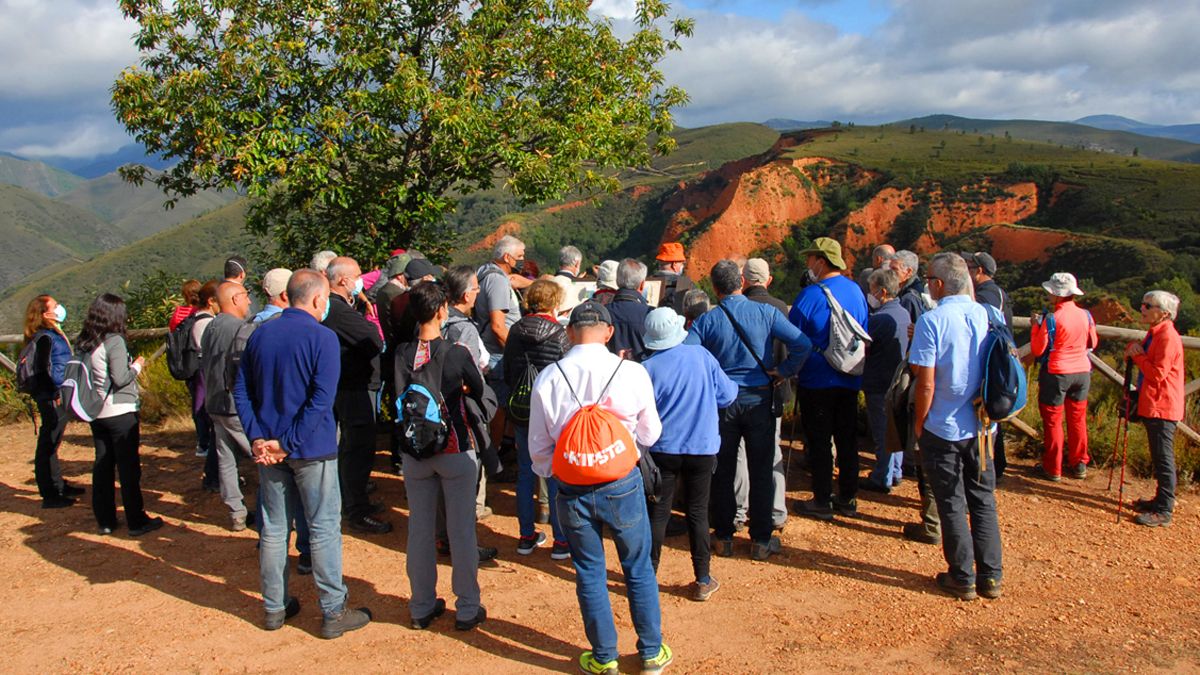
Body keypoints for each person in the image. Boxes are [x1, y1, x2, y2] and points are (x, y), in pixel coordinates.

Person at [527, 300, 671, 674]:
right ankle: (651, 653)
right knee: (637, 566)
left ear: (570, 333)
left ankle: (604, 657)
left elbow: (538, 448)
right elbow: (651, 433)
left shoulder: (549, 376)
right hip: (622, 482)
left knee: (589, 570)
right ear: (609, 332)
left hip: (572, 486)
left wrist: (556, 473)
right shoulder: (632, 371)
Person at [233, 268, 372, 637]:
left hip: (270, 451)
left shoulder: (260, 334)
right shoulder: (322, 338)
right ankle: (332, 610)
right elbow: (321, 401)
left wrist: (259, 438)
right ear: (316, 299)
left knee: (274, 529)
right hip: (311, 448)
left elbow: (242, 392)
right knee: (323, 527)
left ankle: (274, 607)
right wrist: (288, 442)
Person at [689, 260, 811, 560]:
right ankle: (760, 540)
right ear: (741, 281)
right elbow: (803, 344)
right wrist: (784, 370)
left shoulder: (708, 320)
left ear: (715, 288)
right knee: (761, 469)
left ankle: (725, 536)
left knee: (724, 470)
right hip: (760, 400)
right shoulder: (767, 312)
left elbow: (689, 355)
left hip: (723, 404)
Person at [909, 252, 1002, 601]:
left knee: (950, 501)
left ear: (937, 283)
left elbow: (926, 383)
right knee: (982, 500)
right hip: (983, 427)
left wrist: (920, 425)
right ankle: (991, 577)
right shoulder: (989, 315)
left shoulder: (933, 321)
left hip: (944, 427)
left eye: (929, 278)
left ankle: (962, 576)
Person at [396, 282, 488, 631]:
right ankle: (467, 607)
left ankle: (421, 606)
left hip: (414, 451)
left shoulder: (401, 353)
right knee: (461, 530)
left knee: (419, 530)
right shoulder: (456, 352)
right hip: (453, 447)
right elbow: (478, 389)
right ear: (441, 311)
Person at [643, 307, 737, 601]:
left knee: (658, 513)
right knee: (697, 511)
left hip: (663, 449)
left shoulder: (648, 367)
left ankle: (648, 577)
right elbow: (728, 395)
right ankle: (702, 579)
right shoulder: (702, 357)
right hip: (702, 447)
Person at [789, 237, 869, 520]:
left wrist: (790, 369)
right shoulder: (856, 290)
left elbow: (794, 338)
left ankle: (822, 499)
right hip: (849, 377)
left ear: (821, 261)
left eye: (810, 259)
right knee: (847, 439)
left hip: (816, 379)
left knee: (820, 440)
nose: (808, 265)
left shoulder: (810, 295)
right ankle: (848, 497)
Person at [76, 293, 163, 537]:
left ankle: (105, 520)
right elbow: (121, 378)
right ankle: (136, 520)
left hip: (96, 412)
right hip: (120, 411)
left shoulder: (86, 341)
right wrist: (137, 365)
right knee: (128, 468)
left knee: (102, 466)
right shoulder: (114, 341)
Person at [503, 279, 572, 557]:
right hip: (553, 413)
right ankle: (561, 541)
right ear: (554, 303)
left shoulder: (515, 330)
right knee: (556, 474)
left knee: (524, 472)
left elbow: (507, 371)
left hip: (522, 410)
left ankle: (525, 536)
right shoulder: (559, 334)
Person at [323, 256, 390, 534]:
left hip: (345, 385)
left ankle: (353, 501)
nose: (360, 281)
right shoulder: (339, 311)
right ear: (343, 280)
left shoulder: (337, 308)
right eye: (358, 276)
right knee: (358, 448)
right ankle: (356, 509)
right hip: (353, 388)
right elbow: (374, 340)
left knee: (352, 447)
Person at [735, 258, 790, 532]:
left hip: (741, 392)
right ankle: (776, 511)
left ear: (743, 281)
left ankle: (739, 509)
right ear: (768, 280)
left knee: (740, 454)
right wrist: (784, 371)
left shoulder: (737, 309)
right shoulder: (780, 307)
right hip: (774, 390)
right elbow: (796, 345)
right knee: (772, 451)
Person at [1030, 272, 1098, 481]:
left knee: (1053, 421)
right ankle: (1079, 464)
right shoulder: (1086, 315)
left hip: (1057, 373)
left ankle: (1053, 468)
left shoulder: (1052, 319)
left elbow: (1038, 349)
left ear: (1058, 295)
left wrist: (1035, 326)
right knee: (1077, 419)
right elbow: (1093, 343)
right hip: (1082, 372)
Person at [1125, 290, 1185, 527]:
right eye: (1144, 304)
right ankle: (1160, 500)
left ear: (1164, 313)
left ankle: (1164, 509)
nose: (1143, 308)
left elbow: (1157, 374)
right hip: (1156, 403)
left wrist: (1138, 356)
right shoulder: (1156, 332)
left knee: (1163, 457)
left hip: (1163, 405)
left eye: (1148, 306)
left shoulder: (1167, 337)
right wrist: (1135, 351)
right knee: (1159, 455)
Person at [201, 282, 256, 530]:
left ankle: (236, 513)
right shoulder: (239, 328)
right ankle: (273, 510)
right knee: (260, 455)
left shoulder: (210, 326)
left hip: (213, 402)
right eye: (245, 296)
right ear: (234, 299)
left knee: (226, 460)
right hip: (233, 403)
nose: (249, 301)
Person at [23, 295, 85, 508]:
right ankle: (50, 493)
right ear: (45, 314)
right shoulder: (45, 338)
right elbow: (43, 369)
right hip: (52, 397)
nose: (60, 308)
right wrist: (55, 392)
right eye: (55, 306)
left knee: (53, 442)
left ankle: (57, 484)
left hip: (54, 395)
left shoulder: (48, 335)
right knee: (48, 443)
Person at [859, 268, 910, 493]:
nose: (870, 294)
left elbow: (862, 344)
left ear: (881, 291)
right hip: (896, 381)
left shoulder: (879, 319)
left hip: (879, 381)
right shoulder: (903, 313)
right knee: (894, 429)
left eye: (871, 289)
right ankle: (896, 472)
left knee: (881, 431)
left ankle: (882, 477)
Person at [962, 252, 1013, 479]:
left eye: (970, 266)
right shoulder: (996, 292)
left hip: (990, 364)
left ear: (979, 270)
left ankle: (990, 469)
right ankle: (993, 467)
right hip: (997, 363)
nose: (967, 270)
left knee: (989, 414)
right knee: (993, 415)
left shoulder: (986, 295)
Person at [193, 280, 221, 490]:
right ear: (211, 301)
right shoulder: (205, 324)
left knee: (218, 433)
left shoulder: (199, 320)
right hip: (209, 376)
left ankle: (213, 476)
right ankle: (212, 477)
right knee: (217, 432)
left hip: (206, 376)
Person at [607, 258, 653, 362]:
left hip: (609, 374)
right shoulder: (650, 314)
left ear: (617, 281)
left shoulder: (603, 313)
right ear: (642, 284)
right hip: (642, 373)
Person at [646, 242, 694, 313]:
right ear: (674, 264)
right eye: (682, 263)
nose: (683, 266)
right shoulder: (684, 284)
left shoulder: (649, 283)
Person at [890, 250, 933, 324]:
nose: (890, 273)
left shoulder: (909, 298)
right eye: (890, 269)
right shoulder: (903, 290)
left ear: (909, 272)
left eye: (894, 269)